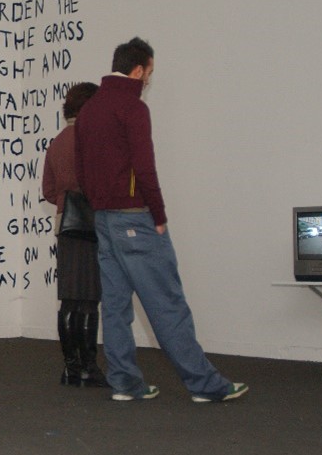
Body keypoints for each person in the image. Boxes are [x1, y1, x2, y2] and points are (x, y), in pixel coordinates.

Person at [74, 37, 248, 403]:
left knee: (116, 307)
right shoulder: (133, 108)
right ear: (138, 70)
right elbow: (144, 166)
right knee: (167, 303)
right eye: (149, 73)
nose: (148, 81)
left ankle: (125, 383)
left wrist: (99, 205)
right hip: (135, 218)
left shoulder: (89, 109)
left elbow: (81, 168)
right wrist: (158, 213)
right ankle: (205, 385)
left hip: (104, 219)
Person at [42, 82, 107, 388]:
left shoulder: (56, 142)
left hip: (65, 226)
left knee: (69, 298)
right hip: (91, 226)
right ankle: (89, 367)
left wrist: (65, 200)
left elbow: (47, 190)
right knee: (90, 298)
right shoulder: (91, 140)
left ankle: (71, 368)